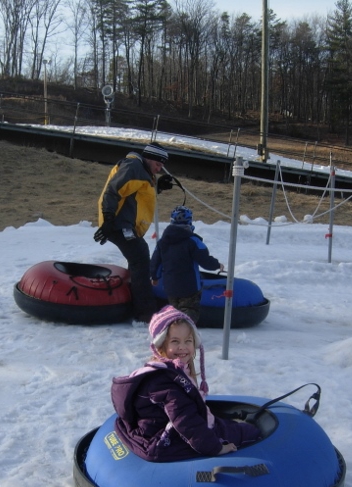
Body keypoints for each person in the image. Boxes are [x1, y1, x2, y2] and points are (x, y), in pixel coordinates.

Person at [110, 305, 261, 462]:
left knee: (227, 426)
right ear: (161, 345)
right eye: (175, 341)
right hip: (166, 439)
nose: (182, 347)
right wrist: (215, 447)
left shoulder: (170, 370)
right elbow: (186, 420)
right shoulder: (165, 383)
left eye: (188, 340)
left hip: (159, 425)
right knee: (250, 433)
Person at [94, 142, 175, 322]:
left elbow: (138, 195)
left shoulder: (142, 170)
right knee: (140, 257)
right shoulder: (134, 166)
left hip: (125, 224)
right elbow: (112, 192)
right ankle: (145, 312)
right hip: (117, 223)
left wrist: (158, 187)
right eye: (158, 164)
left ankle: (135, 302)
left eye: (162, 165)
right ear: (150, 158)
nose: (160, 168)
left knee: (138, 256)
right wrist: (108, 219)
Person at [150, 205, 223, 323]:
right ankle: (185, 332)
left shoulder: (162, 242)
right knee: (189, 310)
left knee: (174, 310)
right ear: (190, 221)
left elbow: (155, 261)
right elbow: (205, 260)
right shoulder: (193, 241)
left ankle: (174, 331)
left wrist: (154, 277)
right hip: (190, 286)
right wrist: (216, 265)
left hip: (170, 285)